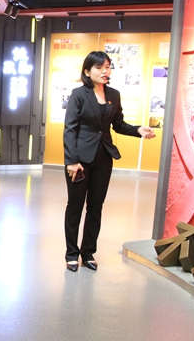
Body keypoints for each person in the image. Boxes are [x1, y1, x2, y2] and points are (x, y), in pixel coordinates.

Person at [63, 51, 155, 272]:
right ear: (87, 71)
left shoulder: (114, 94)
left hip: (104, 158)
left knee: (96, 207)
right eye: (99, 67)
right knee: (75, 207)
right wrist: (72, 160)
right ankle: (71, 253)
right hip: (80, 161)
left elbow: (119, 125)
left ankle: (88, 252)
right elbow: (70, 129)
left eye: (108, 66)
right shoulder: (79, 94)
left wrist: (138, 130)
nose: (105, 71)